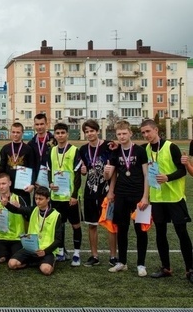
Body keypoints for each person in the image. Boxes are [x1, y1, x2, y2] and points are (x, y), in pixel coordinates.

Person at [140, 119, 192, 282]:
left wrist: (167, 177)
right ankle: (166, 268)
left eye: (148, 131)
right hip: (157, 199)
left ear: (156, 130)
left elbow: (182, 171)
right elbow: (127, 149)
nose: (146, 135)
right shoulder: (145, 149)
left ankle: (190, 269)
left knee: (181, 233)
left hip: (174, 198)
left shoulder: (171, 147)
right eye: (143, 132)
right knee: (160, 234)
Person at [105, 120, 149, 276]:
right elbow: (114, 174)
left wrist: (145, 196)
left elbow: (146, 174)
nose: (122, 136)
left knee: (140, 230)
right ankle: (122, 262)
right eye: (119, 134)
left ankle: (141, 264)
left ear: (130, 133)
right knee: (122, 229)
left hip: (138, 196)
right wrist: (111, 192)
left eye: (124, 133)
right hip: (121, 194)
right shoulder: (116, 152)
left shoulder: (140, 151)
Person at [78, 119, 117, 267]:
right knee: (91, 224)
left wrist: (111, 191)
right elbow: (86, 170)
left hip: (106, 190)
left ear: (98, 131)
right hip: (90, 190)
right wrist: (83, 171)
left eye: (92, 131)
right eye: (86, 132)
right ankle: (94, 256)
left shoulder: (108, 146)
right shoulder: (83, 150)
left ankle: (113, 256)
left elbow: (114, 171)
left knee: (110, 223)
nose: (89, 134)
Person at [7, 186, 63, 276]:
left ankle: (46, 262)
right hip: (30, 248)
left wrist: (45, 251)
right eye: (36, 198)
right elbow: (17, 210)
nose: (38, 201)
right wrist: (6, 204)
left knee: (46, 271)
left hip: (45, 250)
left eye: (41, 199)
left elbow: (58, 240)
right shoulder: (33, 209)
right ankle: (33, 262)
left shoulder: (56, 215)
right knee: (12, 264)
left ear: (48, 199)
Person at [48, 122, 82, 266]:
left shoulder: (74, 150)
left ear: (67, 134)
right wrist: (50, 183)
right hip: (56, 196)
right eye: (58, 133)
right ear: (54, 135)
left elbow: (78, 175)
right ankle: (61, 251)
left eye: (63, 133)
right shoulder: (52, 150)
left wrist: (74, 195)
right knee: (59, 225)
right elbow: (49, 170)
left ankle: (76, 254)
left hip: (70, 197)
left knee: (75, 225)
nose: (60, 135)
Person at [0, 172, 27, 264]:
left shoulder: (18, 199)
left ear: (9, 183)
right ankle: (3, 252)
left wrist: (20, 208)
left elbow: (28, 215)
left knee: (16, 259)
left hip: (16, 237)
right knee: (1, 259)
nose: (1, 187)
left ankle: (11, 251)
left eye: (4, 183)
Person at [0, 122, 35, 205]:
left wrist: (32, 184)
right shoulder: (5, 148)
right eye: (13, 132)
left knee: (24, 212)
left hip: (23, 187)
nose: (15, 135)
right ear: (10, 132)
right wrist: (1, 184)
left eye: (18, 132)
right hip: (8, 187)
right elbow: (2, 167)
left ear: (22, 133)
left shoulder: (28, 149)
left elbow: (32, 168)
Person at [28, 113, 56, 188]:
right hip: (37, 182)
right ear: (34, 125)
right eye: (37, 124)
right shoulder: (31, 143)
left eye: (42, 124)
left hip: (53, 181)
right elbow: (30, 164)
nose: (39, 127)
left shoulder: (54, 141)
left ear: (46, 124)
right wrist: (33, 181)